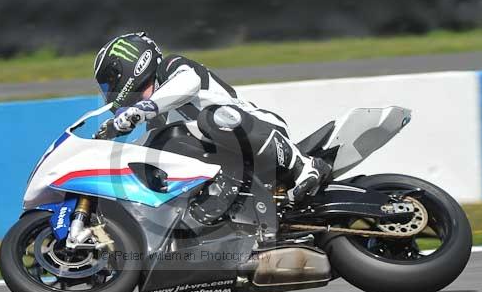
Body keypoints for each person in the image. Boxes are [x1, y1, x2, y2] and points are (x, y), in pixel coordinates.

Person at [93, 32, 331, 218]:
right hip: (230, 163)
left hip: (259, 130)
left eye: (110, 81)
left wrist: (140, 110)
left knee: (211, 117)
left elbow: (188, 83)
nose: (109, 91)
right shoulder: (156, 119)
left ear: (128, 66)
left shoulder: (171, 67)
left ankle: (304, 166)